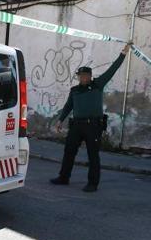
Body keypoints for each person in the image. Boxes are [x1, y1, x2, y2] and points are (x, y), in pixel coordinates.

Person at [50, 42, 132, 192]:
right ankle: (63, 177)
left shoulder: (98, 85)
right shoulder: (74, 90)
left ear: (90, 76)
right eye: (80, 76)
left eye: (85, 75)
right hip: (76, 125)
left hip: (93, 126)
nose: (83, 78)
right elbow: (69, 106)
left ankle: (92, 183)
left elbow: (112, 69)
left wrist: (123, 53)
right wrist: (60, 120)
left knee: (93, 155)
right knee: (69, 151)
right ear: (78, 77)